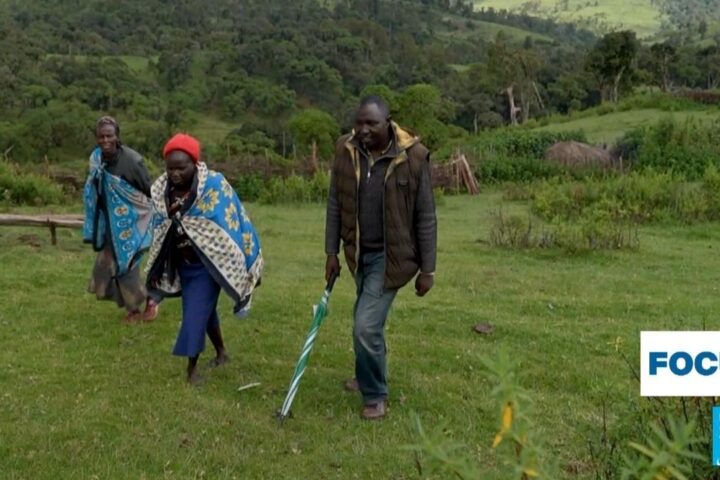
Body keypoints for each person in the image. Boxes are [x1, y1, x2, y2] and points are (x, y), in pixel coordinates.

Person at [324, 96, 437, 420]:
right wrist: (331, 252)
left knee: (365, 326)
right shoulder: (345, 150)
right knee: (365, 320)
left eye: (371, 123)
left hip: (392, 258)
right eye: (359, 122)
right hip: (358, 254)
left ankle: (376, 396)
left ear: (388, 122)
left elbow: (426, 216)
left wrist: (428, 270)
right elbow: (336, 202)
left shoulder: (413, 157)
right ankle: (365, 376)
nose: (363, 130)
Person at [145, 133, 263, 384]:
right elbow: (160, 225)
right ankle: (221, 352)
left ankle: (191, 370)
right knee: (204, 311)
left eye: (181, 167)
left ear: (195, 164)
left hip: (208, 264)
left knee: (194, 313)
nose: (175, 173)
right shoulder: (161, 190)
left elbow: (232, 219)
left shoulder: (214, 187)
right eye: (170, 167)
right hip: (182, 263)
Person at [83, 116, 160, 324]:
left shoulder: (132, 161)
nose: (105, 140)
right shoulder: (96, 159)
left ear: (117, 136)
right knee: (106, 267)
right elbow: (95, 188)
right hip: (109, 223)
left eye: (109, 135)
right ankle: (136, 305)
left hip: (133, 222)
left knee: (126, 265)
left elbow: (148, 192)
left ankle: (146, 303)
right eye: (101, 136)